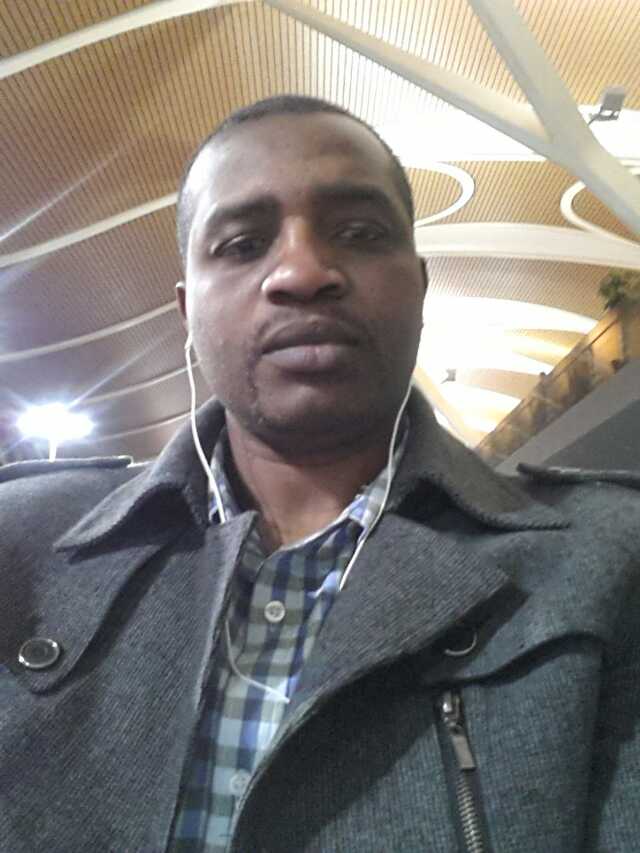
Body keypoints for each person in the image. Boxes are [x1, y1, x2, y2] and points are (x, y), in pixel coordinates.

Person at [1, 95, 639, 853]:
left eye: (360, 233)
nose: (303, 272)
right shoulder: (24, 542)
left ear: (419, 287)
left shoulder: (609, 563)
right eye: (242, 244)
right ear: (187, 310)